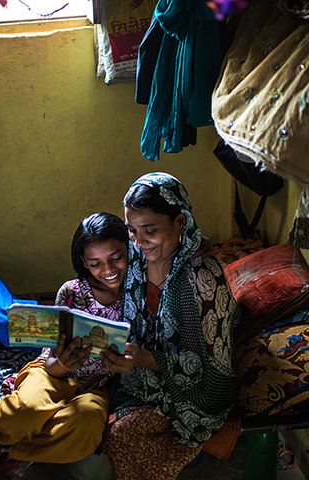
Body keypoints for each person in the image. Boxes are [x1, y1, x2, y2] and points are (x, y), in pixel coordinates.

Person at [0, 212, 129, 464]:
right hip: (52, 372)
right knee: (28, 408)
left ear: (130, 250)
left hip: (98, 388)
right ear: (84, 262)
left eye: (116, 258)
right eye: (95, 263)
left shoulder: (138, 292)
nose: (107, 270)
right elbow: (50, 356)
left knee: (86, 428)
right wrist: (61, 366)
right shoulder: (72, 292)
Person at [99, 172, 240, 480]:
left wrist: (145, 359)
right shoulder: (134, 262)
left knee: (122, 436)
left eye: (149, 231)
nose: (139, 242)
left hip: (196, 391)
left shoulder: (201, 278)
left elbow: (209, 369)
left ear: (181, 222)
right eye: (132, 230)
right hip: (141, 374)